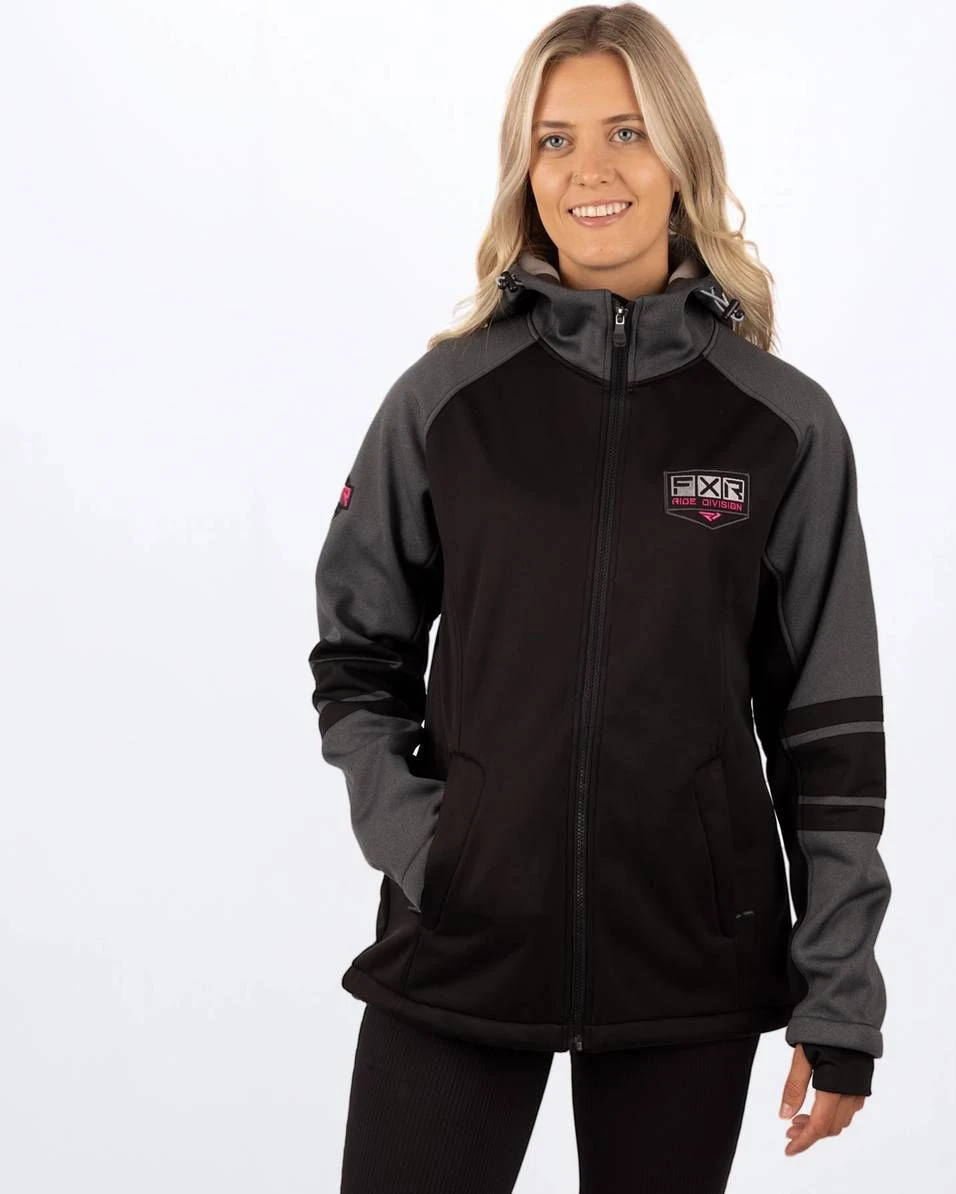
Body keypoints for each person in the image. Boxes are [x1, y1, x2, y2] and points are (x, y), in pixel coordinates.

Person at [307, 5, 891, 1190]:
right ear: (525, 171)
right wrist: (431, 850)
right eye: (556, 139)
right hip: (463, 940)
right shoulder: (445, 402)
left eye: (627, 131)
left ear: (682, 154)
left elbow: (829, 736)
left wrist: (839, 995)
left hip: (688, 958)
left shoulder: (781, 425)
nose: (592, 170)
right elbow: (358, 654)